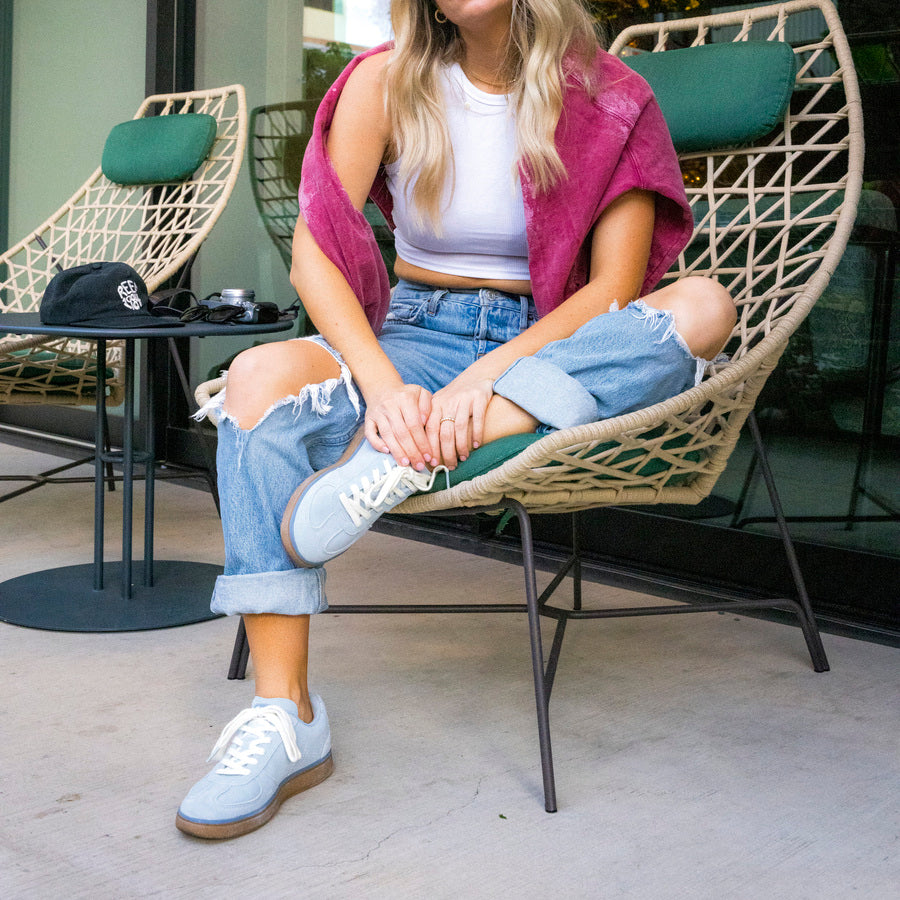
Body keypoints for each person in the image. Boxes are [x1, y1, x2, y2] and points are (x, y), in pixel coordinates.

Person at [176, 0, 736, 839]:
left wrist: (485, 382)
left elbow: (614, 291)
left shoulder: (611, 98)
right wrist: (387, 389)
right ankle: (284, 715)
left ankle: (446, 439)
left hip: (554, 347)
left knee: (704, 306)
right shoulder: (385, 80)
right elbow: (314, 256)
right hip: (414, 336)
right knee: (256, 378)